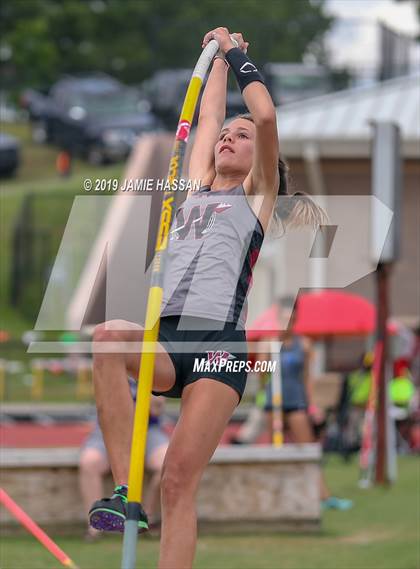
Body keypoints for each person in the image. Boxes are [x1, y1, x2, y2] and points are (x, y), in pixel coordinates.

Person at [88, 27, 326, 568]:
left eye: (239, 139)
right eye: (227, 137)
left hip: (217, 347)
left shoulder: (257, 195)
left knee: (177, 481)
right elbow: (209, 118)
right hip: (167, 337)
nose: (229, 139)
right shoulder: (196, 186)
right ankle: (126, 492)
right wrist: (214, 56)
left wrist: (239, 54)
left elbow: (263, 116)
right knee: (106, 337)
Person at [264, 299, 353, 511]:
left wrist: (312, 406)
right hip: (274, 403)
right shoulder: (269, 343)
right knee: (273, 452)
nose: (287, 321)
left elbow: (307, 378)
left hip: (296, 401)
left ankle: (324, 496)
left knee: (308, 450)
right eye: (284, 317)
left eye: (291, 317)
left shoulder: (304, 344)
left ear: (295, 318)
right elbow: (261, 374)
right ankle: (277, 498)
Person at [80, 379, 169, 540]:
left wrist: (151, 395)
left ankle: (145, 517)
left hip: (148, 430)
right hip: (108, 431)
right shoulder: (109, 363)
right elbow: (107, 408)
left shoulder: (153, 364)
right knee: (89, 462)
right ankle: (94, 527)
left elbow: (156, 409)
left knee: (166, 464)